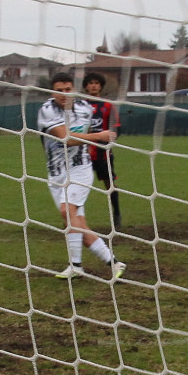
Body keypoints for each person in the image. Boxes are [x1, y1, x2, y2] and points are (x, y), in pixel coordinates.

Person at [37, 72, 124, 280]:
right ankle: (115, 263)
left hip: (80, 169)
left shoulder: (85, 108)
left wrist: (101, 139)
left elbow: (86, 135)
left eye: (68, 89)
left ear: (74, 90)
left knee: (67, 211)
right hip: (56, 173)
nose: (64, 94)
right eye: (59, 90)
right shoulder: (47, 110)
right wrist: (99, 136)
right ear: (52, 92)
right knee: (78, 226)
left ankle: (75, 267)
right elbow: (66, 137)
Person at [82, 72, 124, 230]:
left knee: (109, 184)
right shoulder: (79, 106)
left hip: (102, 153)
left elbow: (117, 129)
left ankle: (117, 214)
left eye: (96, 83)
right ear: (86, 86)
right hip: (83, 153)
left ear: (100, 87)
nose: (94, 86)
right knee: (78, 184)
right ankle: (74, 218)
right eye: (91, 83)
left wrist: (107, 140)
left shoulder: (108, 106)